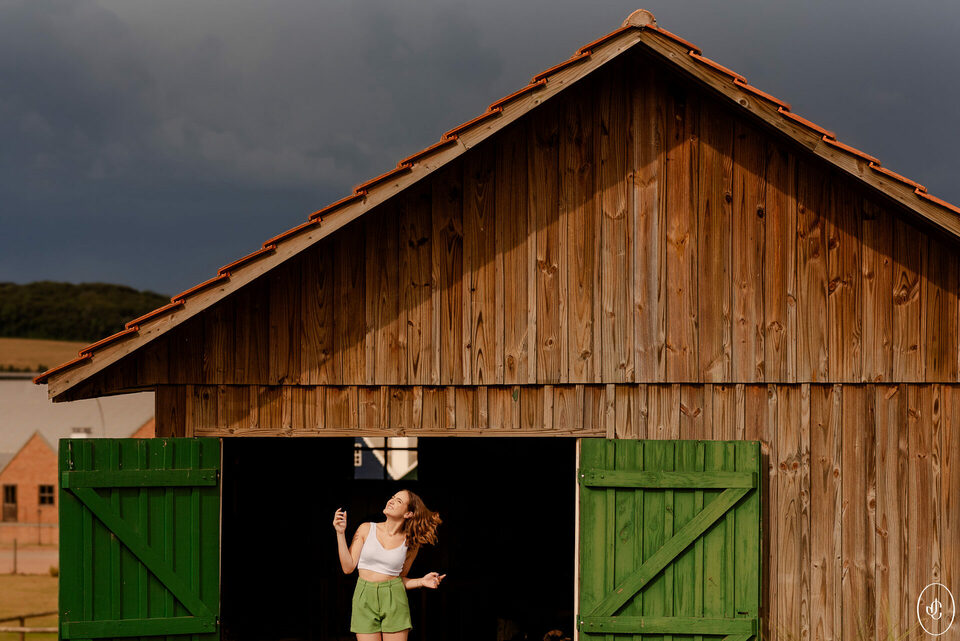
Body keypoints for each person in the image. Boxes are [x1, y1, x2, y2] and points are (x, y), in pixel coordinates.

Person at [333, 489, 446, 641]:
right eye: (393, 497)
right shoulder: (366, 529)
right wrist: (340, 533)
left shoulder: (411, 543)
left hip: (394, 598)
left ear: (408, 514)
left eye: (399, 501)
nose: (391, 501)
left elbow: (399, 580)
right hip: (364, 597)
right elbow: (348, 568)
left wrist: (421, 581)